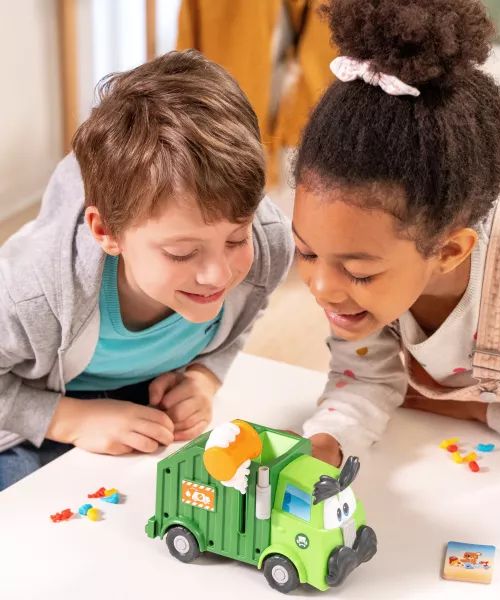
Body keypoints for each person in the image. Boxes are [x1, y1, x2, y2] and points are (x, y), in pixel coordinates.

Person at [293, 0, 500, 470]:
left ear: (450, 251)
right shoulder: (365, 266)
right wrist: (329, 441)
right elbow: (365, 378)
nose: (322, 288)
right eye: (307, 252)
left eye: (358, 272)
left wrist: (480, 411)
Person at [0, 50, 293, 490]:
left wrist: (204, 378)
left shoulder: (269, 246)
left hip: (149, 405)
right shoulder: (33, 293)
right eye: (181, 253)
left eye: (236, 239)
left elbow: (247, 315)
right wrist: (70, 419)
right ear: (107, 231)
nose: (217, 275)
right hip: (33, 413)